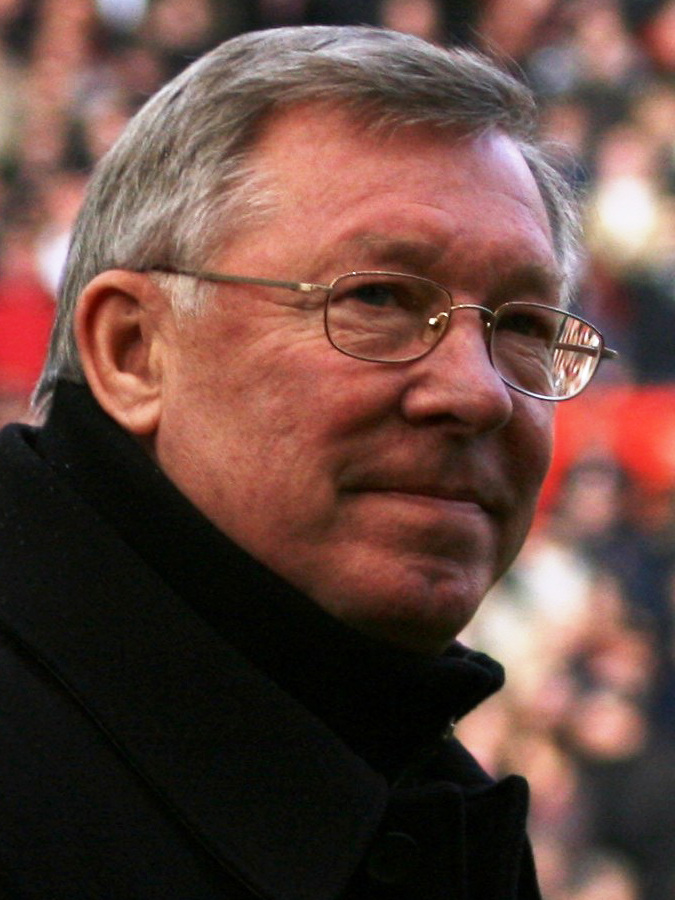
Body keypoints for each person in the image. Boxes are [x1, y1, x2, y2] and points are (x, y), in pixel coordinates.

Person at [0, 25, 617, 900]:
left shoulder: (438, 808)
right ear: (134, 352)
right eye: (378, 298)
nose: (477, 393)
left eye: (521, 325)